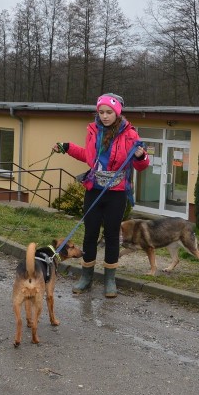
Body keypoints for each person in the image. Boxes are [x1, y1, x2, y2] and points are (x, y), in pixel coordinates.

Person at [52, 93, 149, 297]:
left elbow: (142, 166)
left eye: (109, 112)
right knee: (90, 233)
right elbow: (89, 157)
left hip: (116, 193)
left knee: (112, 235)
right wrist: (67, 147)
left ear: (117, 112)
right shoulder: (93, 130)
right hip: (94, 189)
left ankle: (109, 280)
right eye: (101, 112)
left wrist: (142, 156)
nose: (104, 116)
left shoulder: (131, 135)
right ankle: (86, 277)